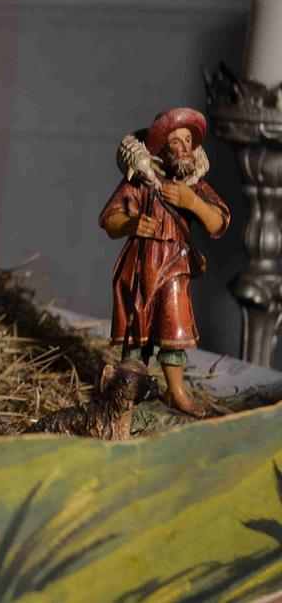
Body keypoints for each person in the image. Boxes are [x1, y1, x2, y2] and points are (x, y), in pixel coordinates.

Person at [99, 107, 230, 417]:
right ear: (162, 148)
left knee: (175, 326)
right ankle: (130, 389)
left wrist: (191, 202)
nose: (184, 148)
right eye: (176, 141)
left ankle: (175, 389)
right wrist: (132, 224)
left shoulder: (194, 186)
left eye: (188, 141)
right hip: (141, 265)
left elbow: (218, 223)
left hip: (174, 266)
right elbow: (109, 220)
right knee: (137, 329)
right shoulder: (142, 182)